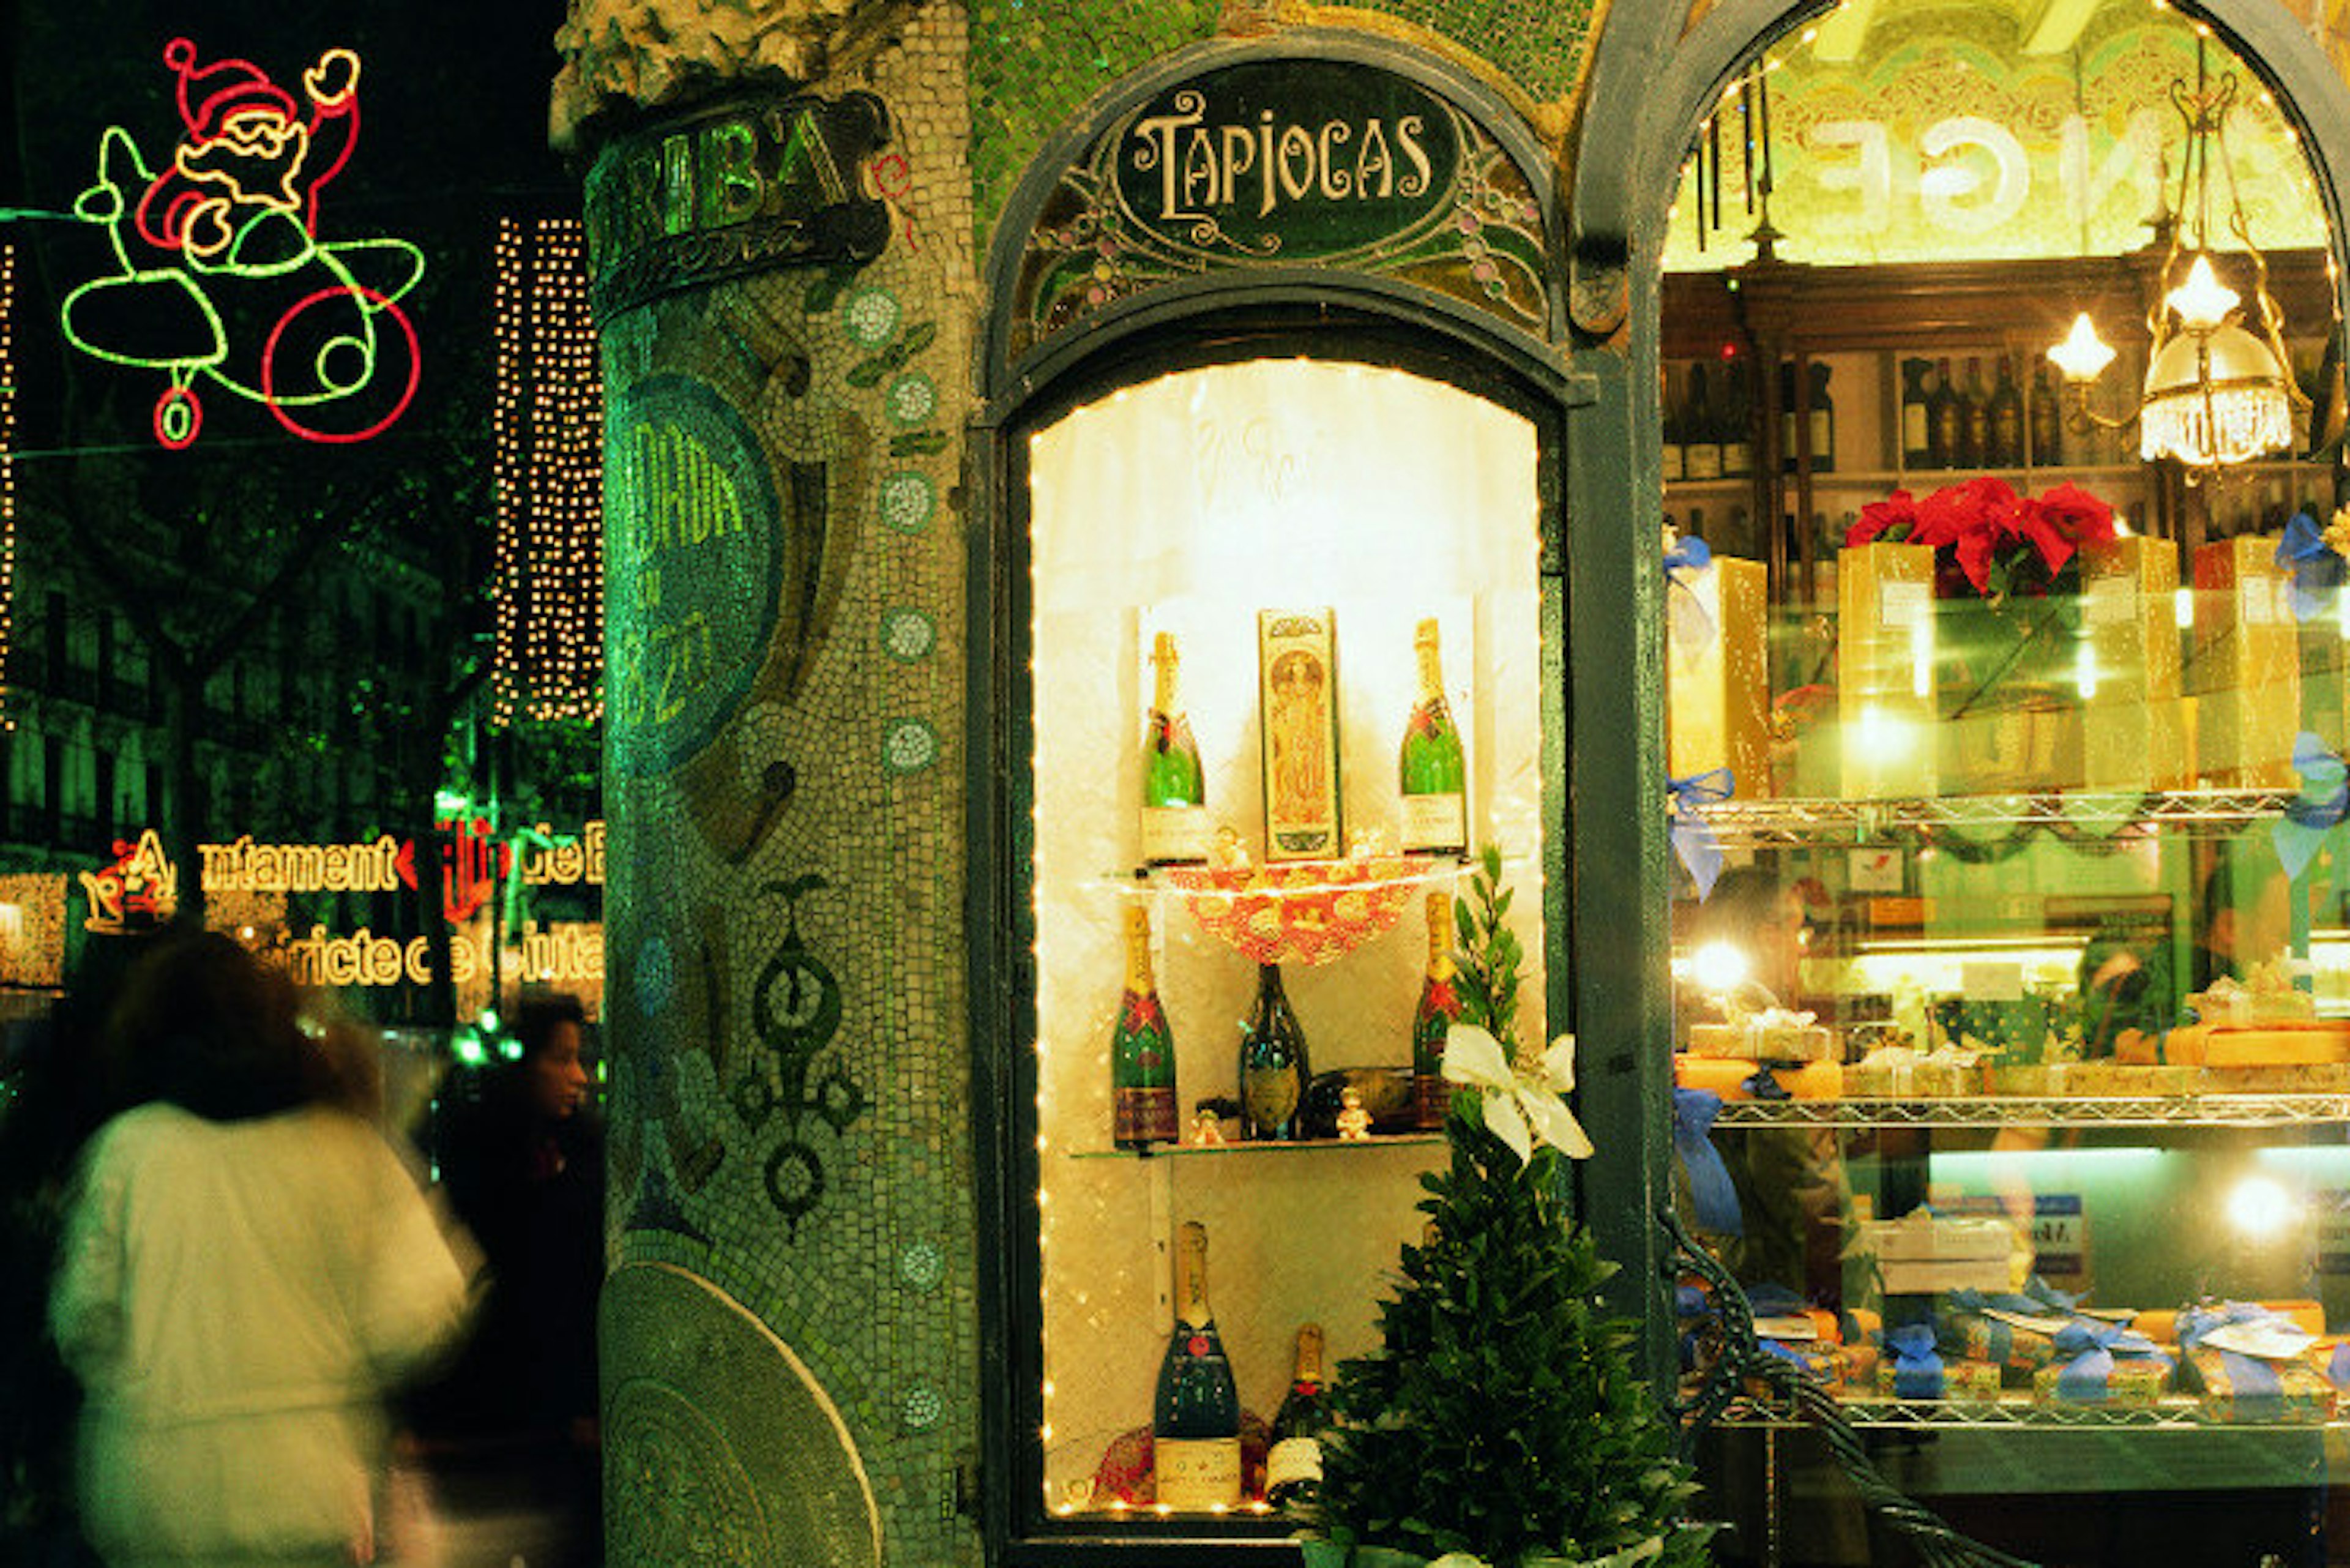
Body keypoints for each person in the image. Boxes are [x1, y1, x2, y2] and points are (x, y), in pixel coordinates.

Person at [47, 930, 471, 1568]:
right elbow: (417, 1313)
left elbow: (83, 1319)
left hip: (155, 1492)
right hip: (305, 1488)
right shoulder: (347, 1152)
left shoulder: (129, 1152)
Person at [414, 993, 604, 1566]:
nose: (578, 1077)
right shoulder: (488, 1157)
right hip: (501, 1428)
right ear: (525, 1063)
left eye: (579, 1059)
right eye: (562, 1059)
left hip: (535, 1427)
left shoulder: (583, 1151)